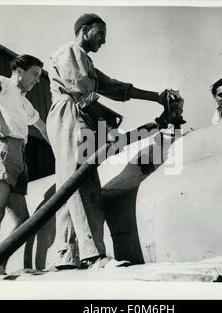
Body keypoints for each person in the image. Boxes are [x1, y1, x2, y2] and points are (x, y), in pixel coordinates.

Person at [45, 13, 171, 269]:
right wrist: (108, 126)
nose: (103, 41)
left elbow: (116, 88)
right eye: (100, 34)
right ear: (85, 30)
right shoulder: (70, 51)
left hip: (78, 114)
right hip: (69, 113)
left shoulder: (85, 62)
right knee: (81, 181)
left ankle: (66, 255)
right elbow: (82, 92)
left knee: (72, 182)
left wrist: (156, 97)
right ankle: (94, 256)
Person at [0, 54, 49, 274]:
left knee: (23, 221)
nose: (37, 80)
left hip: (19, 154)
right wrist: (1, 124)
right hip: (1, 147)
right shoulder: (4, 82)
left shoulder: (25, 102)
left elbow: (42, 127)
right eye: (34, 74)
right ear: (19, 71)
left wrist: (61, 149)